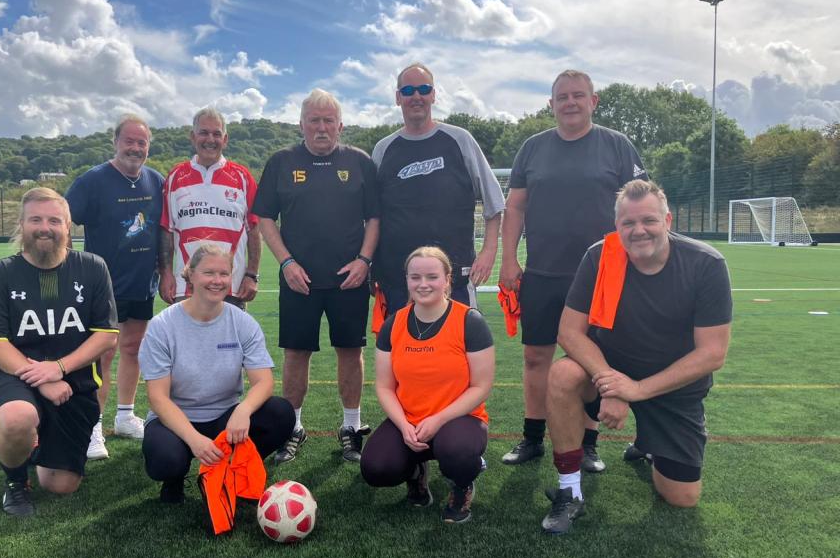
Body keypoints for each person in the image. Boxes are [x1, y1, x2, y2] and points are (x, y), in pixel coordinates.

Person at [541, 180, 732, 535]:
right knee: (562, 375)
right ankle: (569, 489)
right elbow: (569, 332)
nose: (638, 230)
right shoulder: (601, 256)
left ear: (668, 220)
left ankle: (648, 444)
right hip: (610, 374)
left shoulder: (705, 264)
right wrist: (613, 387)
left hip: (672, 389)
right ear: (617, 227)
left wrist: (639, 390)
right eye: (628, 223)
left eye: (649, 221)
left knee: (682, 497)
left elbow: (712, 353)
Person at [499, 69, 648, 473]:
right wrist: (509, 259)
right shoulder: (532, 149)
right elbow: (515, 207)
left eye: (578, 95)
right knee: (535, 357)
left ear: (593, 101)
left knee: (591, 359)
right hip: (543, 271)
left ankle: (587, 444)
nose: (570, 102)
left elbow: (639, 203)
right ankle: (532, 437)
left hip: (603, 274)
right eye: (562, 97)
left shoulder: (617, 146)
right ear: (550, 105)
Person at [253, 89, 380, 464]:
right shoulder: (281, 161)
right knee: (296, 353)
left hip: (349, 278)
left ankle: (351, 427)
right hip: (299, 279)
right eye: (314, 120)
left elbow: (375, 218)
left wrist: (364, 260)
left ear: (340, 125)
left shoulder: (359, 162)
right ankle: (292, 427)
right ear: (301, 124)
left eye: (328, 121)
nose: (321, 128)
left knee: (350, 351)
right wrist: (286, 263)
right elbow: (264, 218)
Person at [0, 187, 119, 517]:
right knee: (16, 416)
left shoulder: (93, 267)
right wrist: (41, 378)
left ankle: (35, 443)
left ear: (69, 227)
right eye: (36, 219)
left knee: (60, 486)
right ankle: (15, 481)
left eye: (55, 220)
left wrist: (59, 368)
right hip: (19, 376)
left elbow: (106, 336)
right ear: (22, 225)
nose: (45, 227)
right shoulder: (0, 273)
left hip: (74, 382)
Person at [138, 244, 294, 504]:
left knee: (280, 413)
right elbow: (158, 398)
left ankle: (235, 469)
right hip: (176, 420)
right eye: (209, 273)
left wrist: (242, 411)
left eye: (224, 274)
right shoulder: (162, 326)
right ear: (191, 275)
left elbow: (264, 382)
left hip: (226, 418)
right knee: (165, 461)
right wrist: (194, 440)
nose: (217, 281)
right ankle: (174, 480)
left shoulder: (243, 322)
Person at [361, 247, 494, 524]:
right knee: (376, 468)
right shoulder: (393, 323)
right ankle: (415, 474)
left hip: (458, 420)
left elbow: (481, 386)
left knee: (457, 452)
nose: (423, 284)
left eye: (432, 277)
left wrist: (439, 419)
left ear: (447, 280)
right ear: (407, 280)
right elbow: (384, 386)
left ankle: (462, 485)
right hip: (410, 420)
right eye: (415, 277)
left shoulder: (469, 321)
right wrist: (403, 425)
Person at [65, 113, 164, 460]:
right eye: (130, 141)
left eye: (142, 142)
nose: (135, 148)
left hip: (141, 281)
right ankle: (93, 428)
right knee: (103, 353)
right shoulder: (93, 181)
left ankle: (125, 416)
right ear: (116, 142)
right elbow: (63, 219)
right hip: (102, 284)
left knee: (134, 348)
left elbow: (162, 230)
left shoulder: (156, 181)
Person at [372, 62, 505, 313]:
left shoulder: (460, 140)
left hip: (454, 278)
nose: (417, 96)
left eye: (424, 89)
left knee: (460, 349)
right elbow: (372, 215)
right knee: (402, 350)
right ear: (398, 98)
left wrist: (488, 252)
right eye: (409, 90)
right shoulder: (383, 149)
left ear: (433, 94)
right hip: (398, 281)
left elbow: (494, 201)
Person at [159, 107, 261, 308]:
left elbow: (254, 230)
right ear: (192, 136)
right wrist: (166, 273)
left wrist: (252, 274)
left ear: (225, 139)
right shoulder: (175, 177)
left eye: (216, 134)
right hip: (185, 287)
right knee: (185, 340)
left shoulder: (242, 177)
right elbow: (167, 231)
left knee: (229, 340)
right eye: (204, 133)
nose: (210, 139)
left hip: (231, 286)